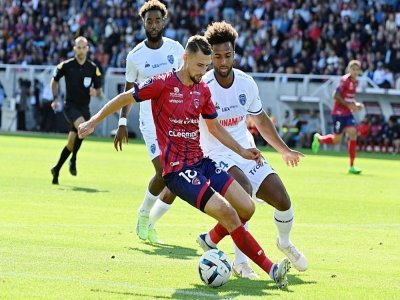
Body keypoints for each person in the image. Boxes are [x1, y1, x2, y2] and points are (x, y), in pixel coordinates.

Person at [78, 35, 291, 289]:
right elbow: (124, 98)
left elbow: (215, 128)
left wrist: (243, 151)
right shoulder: (162, 84)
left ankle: (210, 240)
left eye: (207, 66)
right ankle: (271, 269)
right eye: (200, 65)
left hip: (201, 161)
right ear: (186, 58)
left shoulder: (202, 90)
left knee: (247, 207)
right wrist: (93, 121)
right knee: (229, 213)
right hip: (178, 171)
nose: (204, 71)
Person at [195, 21, 307, 278]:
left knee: (282, 199)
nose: (223, 62)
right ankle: (240, 262)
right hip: (216, 154)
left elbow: (260, 119)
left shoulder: (246, 83)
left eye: (228, 55)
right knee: (242, 191)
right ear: (210, 56)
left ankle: (284, 243)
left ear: (235, 53)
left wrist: (284, 150)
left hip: (246, 151)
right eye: (217, 56)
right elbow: (212, 129)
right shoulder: (204, 86)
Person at [113, 0, 184, 243]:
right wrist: (123, 122)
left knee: (177, 178)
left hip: (176, 122)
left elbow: (187, 81)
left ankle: (149, 221)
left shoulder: (176, 50)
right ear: (143, 22)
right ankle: (144, 215)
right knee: (163, 172)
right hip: (151, 123)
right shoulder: (135, 56)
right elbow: (128, 91)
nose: (153, 25)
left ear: (164, 21)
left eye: (157, 20)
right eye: (149, 20)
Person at [50, 36, 102, 184]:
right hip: (70, 106)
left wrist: (96, 92)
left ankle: (56, 169)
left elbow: (99, 90)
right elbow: (54, 81)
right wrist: (55, 98)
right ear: (74, 49)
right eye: (78, 47)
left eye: (83, 47)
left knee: (71, 143)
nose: (80, 50)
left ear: (87, 49)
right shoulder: (66, 65)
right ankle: (73, 159)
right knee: (83, 127)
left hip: (84, 108)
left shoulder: (93, 68)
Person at [312, 60, 364, 174]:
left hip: (347, 113)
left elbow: (348, 97)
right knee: (337, 140)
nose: (355, 71)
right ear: (349, 69)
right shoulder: (344, 80)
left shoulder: (356, 82)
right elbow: (335, 95)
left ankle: (352, 166)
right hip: (338, 113)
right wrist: (349, 105)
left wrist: (355, 104)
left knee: (353, 134)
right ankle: (319, 139)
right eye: (353, 69)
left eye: (357, 69)